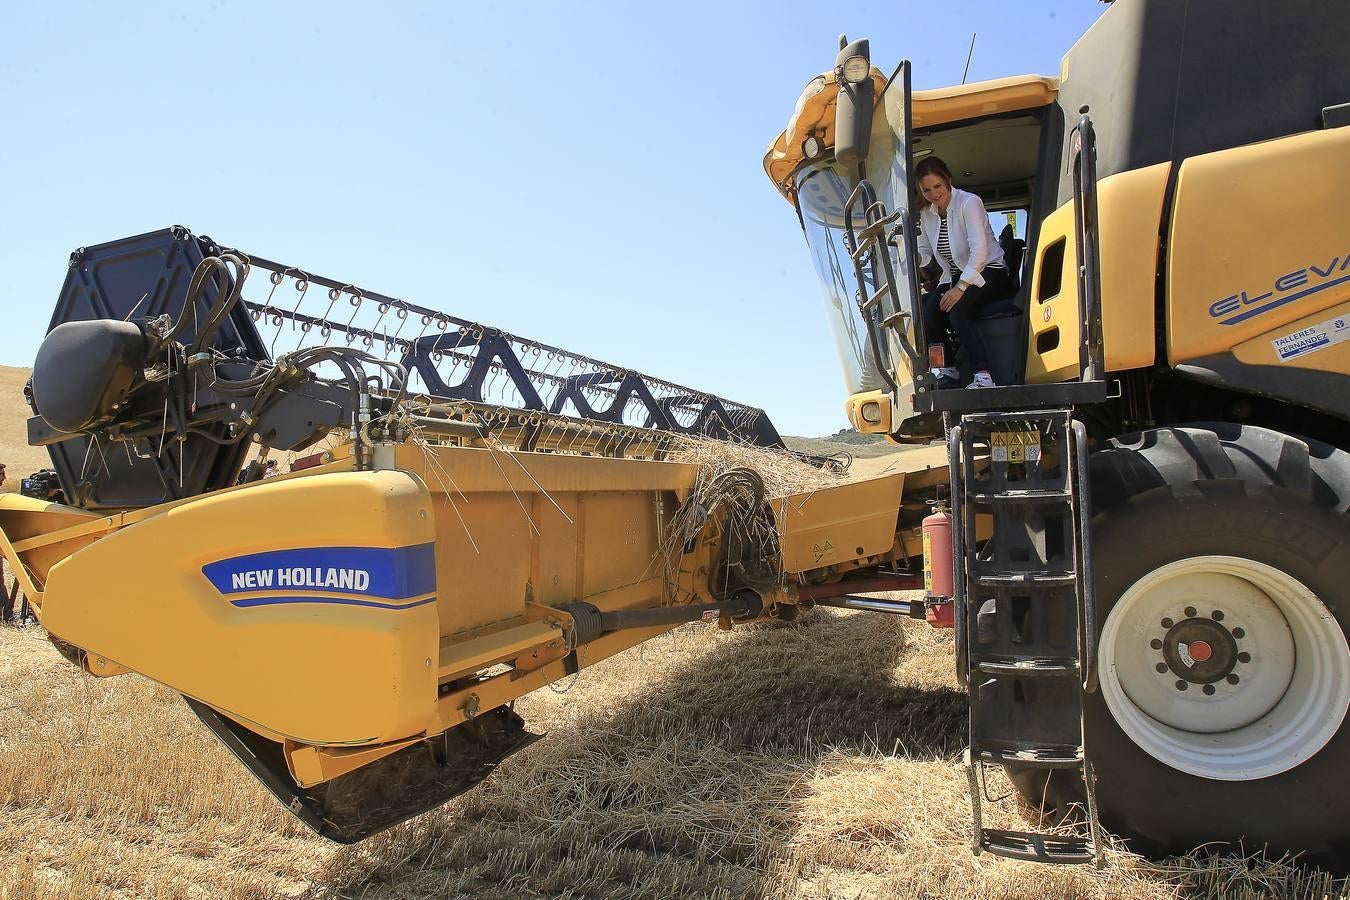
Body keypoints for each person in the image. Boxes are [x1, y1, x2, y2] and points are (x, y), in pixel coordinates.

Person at [913, 156, 1016, 388]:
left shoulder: (969, 203)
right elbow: (924, 251)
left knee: (958, 311)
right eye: (926, 190)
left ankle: (983, 375)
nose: (933, 194)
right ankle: (947, 370)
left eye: (937, 186)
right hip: (955, 275)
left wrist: (960, 289)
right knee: (926, 309)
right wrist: (909, 257)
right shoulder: (927, 214)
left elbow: (979, 251)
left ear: (948, 179)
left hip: (989, 270)